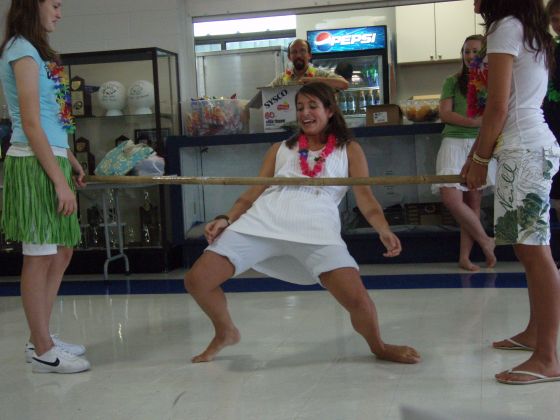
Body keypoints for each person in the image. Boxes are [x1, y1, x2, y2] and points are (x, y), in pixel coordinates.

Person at [184, 82, 420, 365]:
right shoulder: (280, 148)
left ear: (330, 110)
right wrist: (225, 218)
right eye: (300, 108)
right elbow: (252, 193)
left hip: (316, 229)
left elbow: (365, 197)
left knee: (358, 300)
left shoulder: (349, 149)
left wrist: (383, 228)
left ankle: (378, 346)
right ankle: (225, 332)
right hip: (263, 221)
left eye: (312, 107)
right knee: (197, 280)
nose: (305, 113)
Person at [463, 0, 560, 385]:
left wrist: (480, 158)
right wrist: (477, 156)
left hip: (522, 150)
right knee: (527, 248)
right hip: (526, 147)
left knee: (537, 254)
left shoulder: (505, 26)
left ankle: (549, 357)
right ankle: (536, 335)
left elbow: (499, 107)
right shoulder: (529, 28)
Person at [0, 0, 90, 373]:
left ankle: (42, 336)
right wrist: (58, 179)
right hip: (33, 165)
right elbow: (31, 123)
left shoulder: (37, 51)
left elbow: (53, 121)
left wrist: (69, 161)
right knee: (38, 255)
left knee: (63, 250)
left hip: (52, 159)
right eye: (53, 4)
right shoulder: (20, 50)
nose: (59, 12)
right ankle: (41, 348)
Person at [433, 34, 497, 272]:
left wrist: (480, 127)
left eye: (475, 51)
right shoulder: (452, 80)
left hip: (480, 143)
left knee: (473, 202)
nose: (470, 56)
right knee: (451, 197)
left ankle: (465, 258)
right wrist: (475, 123)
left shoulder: (492, 80)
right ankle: (485, 240)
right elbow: (446, 114)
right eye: (466, 51)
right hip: (453, 142)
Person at [270, 39, 349, 90]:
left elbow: (344, 84)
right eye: (294, 52)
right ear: (289, 57)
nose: (298, 55)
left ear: (309, 55)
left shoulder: (319, 74)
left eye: (302, 51)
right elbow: (261, 99)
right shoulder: (281, 79)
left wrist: (315, 80)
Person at [544, 0, 560, 228]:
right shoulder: (552, 49)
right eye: (555, 20)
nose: (558, 24)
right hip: (552, 129)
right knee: (556, 198)